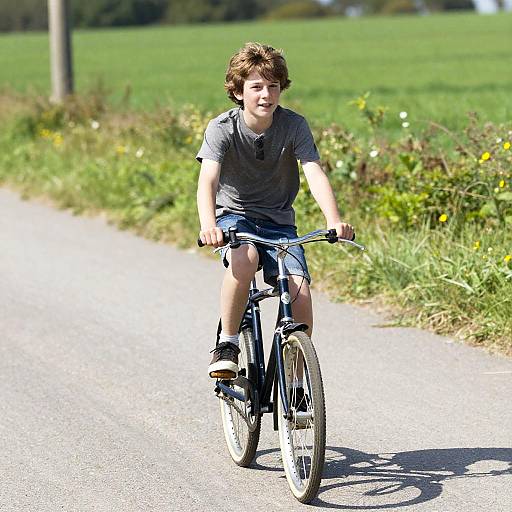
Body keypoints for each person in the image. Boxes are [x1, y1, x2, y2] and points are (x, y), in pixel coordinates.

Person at [196, 42, 353, 379]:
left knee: (300, 294)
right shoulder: (222, 128)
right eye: (256, 87)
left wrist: (334, 220)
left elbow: (313, 172)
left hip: (280, 223)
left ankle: (296, 382)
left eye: (273, 86)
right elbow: (208, 179)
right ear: (238, 92)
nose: (266, 95)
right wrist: (209, 225)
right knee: (245, 258)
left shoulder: (294, 125)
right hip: (235, 217)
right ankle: (228, 342)